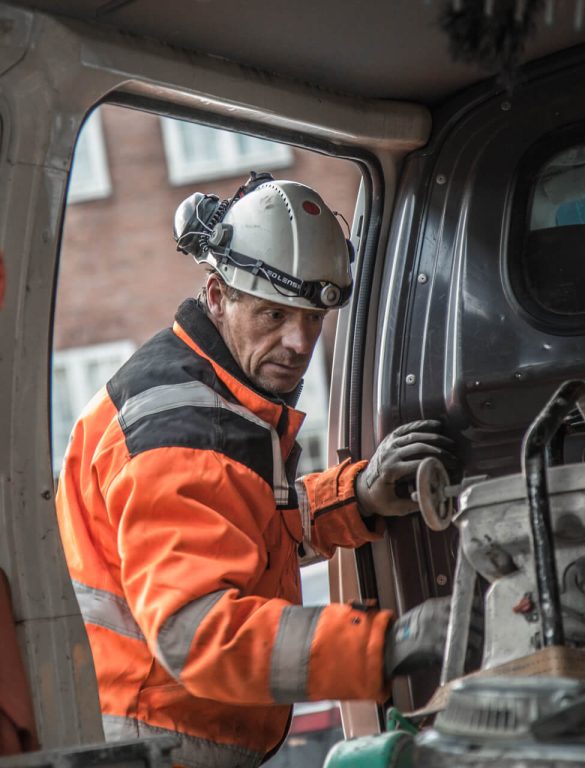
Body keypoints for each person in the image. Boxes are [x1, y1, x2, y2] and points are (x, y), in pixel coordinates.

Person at [55, 172, 459, 768]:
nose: (299, 343)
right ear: (218, 297)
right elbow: (198, 634)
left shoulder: (218, 401)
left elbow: (243, 526)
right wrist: (385, 646)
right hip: (151, 742)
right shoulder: (183, 428)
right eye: (273, 316)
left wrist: (357, 499)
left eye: (311, 320)